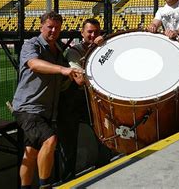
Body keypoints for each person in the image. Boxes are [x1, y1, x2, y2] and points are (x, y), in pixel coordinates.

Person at [12, 11, 83, 189]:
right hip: (28, 108)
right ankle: (45, 186)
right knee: (50, 140)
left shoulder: (57, 49)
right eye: (49, 27)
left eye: (57, 28)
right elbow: (34, 64)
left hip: (45, 110)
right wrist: (62, 69)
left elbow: (64, 77)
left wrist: (76, 77)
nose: (53, 31)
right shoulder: (31, 44)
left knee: (31, 151)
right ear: (41, 27)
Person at [57, 18, 113, 182]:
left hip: (92, 100)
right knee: (69, 145)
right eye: (89, 32)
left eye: (96, 32)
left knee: (105, 137)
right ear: (82, 33)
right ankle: (68, 182)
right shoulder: (74, 51)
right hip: (72, 101)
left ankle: (103, 173)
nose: (93, 35)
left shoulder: (104, 48)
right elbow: (80, 80)